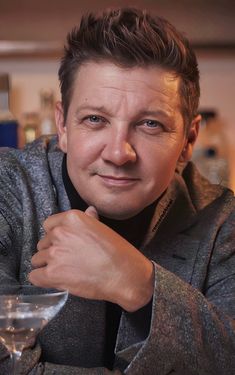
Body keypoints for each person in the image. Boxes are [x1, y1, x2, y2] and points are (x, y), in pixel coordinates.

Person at [0, 7, 234, 375]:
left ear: (189, 141)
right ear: (62, 124)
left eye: (150, 124)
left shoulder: (223, 223)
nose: (118, 153)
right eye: (95, 119)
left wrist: (138, 282)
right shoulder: (6, 189)